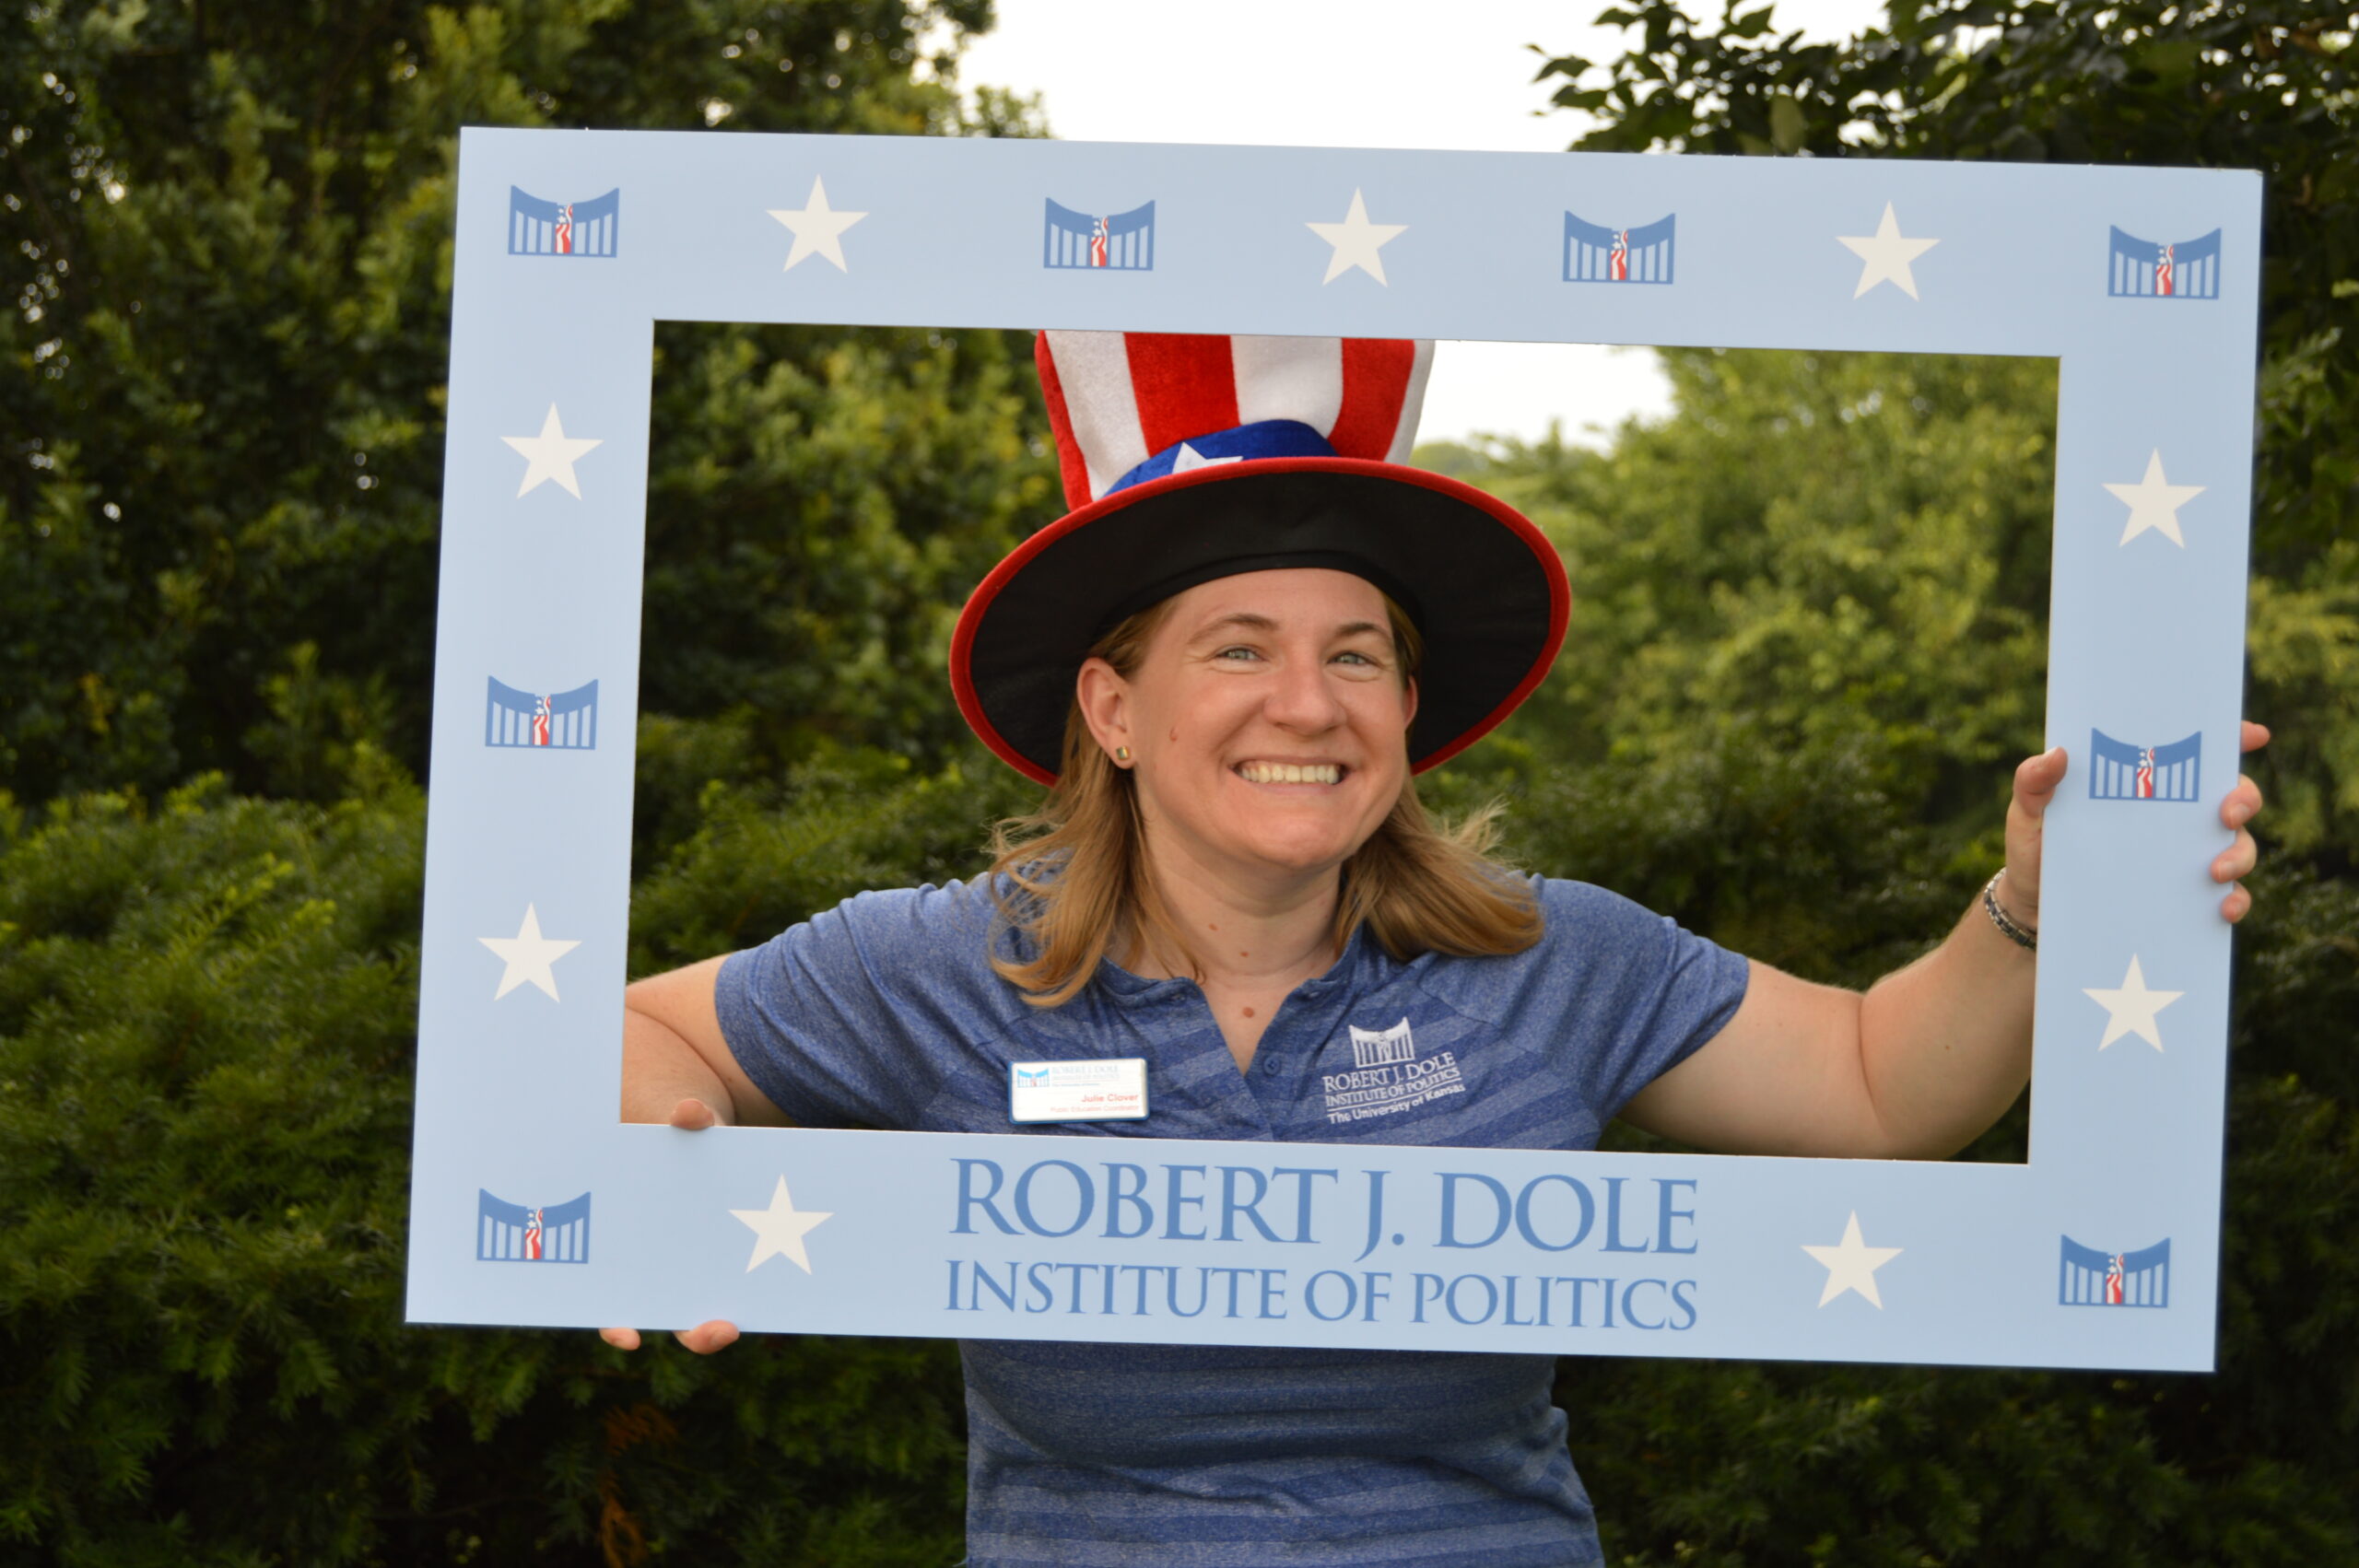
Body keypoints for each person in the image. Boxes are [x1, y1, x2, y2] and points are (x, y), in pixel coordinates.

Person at [604, 332, 2267, 1566]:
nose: (1306, 704)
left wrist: (2048, 903)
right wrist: (652, 1167)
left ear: (1410, 707)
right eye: (1236, 646)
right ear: (1111, 707)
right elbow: (636, 1034)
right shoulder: (950, 968)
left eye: (1357, 653)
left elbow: (1884, 1087)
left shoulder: (1552, 959)